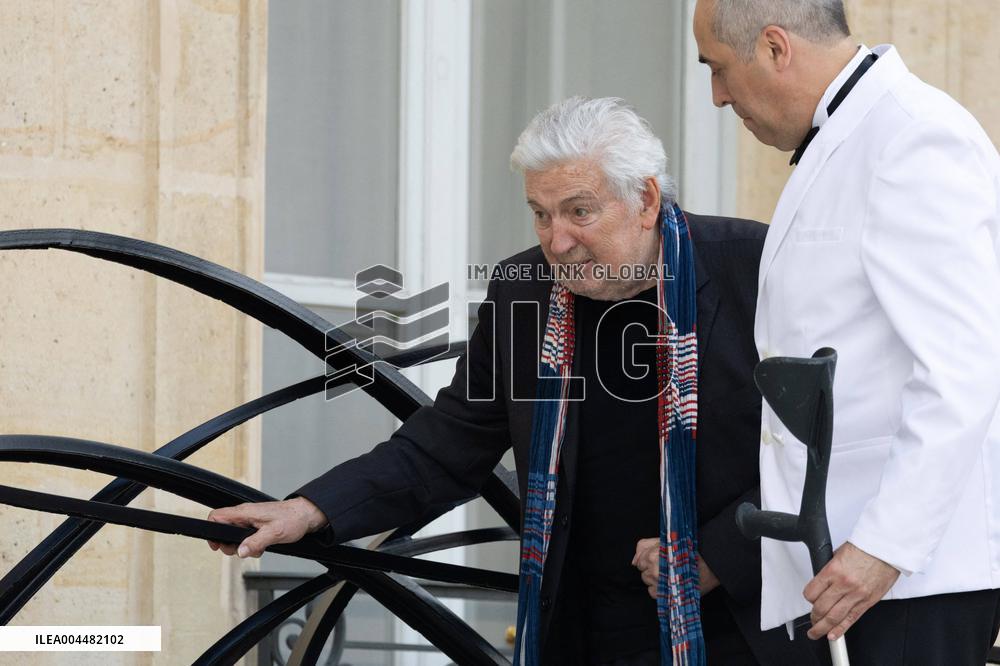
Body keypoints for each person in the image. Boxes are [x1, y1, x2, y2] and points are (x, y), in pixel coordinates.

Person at [207, 97, 817, 665]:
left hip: (742, 628)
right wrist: (310, 509)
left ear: (647, 200)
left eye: (580, 211)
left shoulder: (757, 267)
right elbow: (446, 443)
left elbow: (832, 444)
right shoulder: (523, 286)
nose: (558, 241)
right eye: (540, 215)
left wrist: (717, 553)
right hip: (581, 628)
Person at [692, 1, 1000, 663]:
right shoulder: (853, 134)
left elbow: (965, 367)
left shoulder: (912, 136)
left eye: (718, 70)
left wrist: (885, 546)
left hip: (908, 576)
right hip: (849, 571)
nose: (716, 97)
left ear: (775, 48)